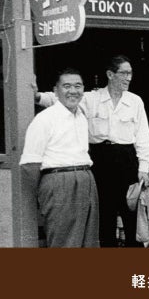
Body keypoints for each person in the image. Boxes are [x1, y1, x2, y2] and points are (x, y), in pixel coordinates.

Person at [35, 55, 149, 247]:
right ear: (110, 74)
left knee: (132, 214)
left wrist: (144, 168)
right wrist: (37, 96)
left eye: (130, 73)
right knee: (104, 216)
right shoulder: (92, 98)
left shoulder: (135, 101)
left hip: (127, 161)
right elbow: (61, 99)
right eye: (124, 73)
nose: (128, 78)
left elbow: (143, 136)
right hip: (101, 161)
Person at [20, 68, 99, 247]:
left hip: (86, 180)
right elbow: (30, 164)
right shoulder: (45, 119)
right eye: (67, 86)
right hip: (58, 182)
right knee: (64, 243)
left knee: (89, 242)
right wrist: (46, 190)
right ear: (56, 91)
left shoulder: (81, 117)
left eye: (78, 86)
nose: (73, 91)